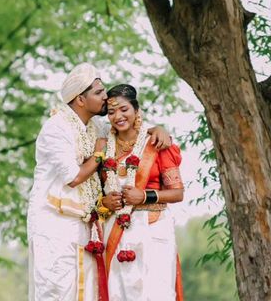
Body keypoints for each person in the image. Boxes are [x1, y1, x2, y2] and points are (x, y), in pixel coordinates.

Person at [27, 63, 171, 301]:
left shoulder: (95, 127)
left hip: (85, 227)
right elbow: (73, 177)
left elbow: (128, 126)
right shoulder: (56, 128)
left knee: (87, 293)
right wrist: (98, 155)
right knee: (57, 291)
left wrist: (158, 128)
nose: (106, 97)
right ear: (80, 100)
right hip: (54, 226)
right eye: (98, 92)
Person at [101, 84, 184, 301]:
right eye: (111, 112)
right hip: (116, 229)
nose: (118, 116)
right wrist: (104, 202)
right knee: (119, 292)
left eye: (124, 110)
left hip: (153, 228)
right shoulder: (103, 146)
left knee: (156, 292)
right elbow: (96, 193)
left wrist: (144, 195)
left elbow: (177, 193)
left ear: (136, 111)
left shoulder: (157, 142)